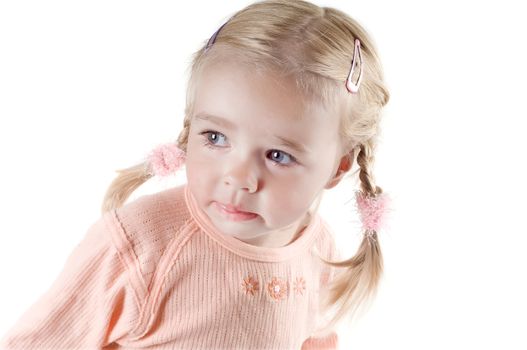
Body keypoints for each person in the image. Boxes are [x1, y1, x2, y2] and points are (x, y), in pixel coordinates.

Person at [0, 0, 391, 348]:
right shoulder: (140, 245)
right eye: (216, 137)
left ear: (339, 166)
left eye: (278, 155)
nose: (238, 178)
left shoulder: (318, 247)